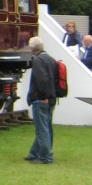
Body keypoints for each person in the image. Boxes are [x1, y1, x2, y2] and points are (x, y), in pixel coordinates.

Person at [25, 36, 58, 164]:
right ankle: (34, 153)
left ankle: (46, 156)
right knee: (46, 127)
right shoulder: (51, 59)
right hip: (51, 98)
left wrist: (43, 97)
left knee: (41, 129)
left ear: (33, 48)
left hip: (41, 99)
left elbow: (41, 80)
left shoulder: (38, 60)